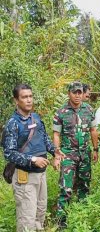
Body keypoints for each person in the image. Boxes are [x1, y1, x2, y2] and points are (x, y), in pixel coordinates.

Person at [2, 84, 63, 232]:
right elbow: (9, 152)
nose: (29, 100)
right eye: (24, 97)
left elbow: (45, 139)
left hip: (40, 175)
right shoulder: (13, 123)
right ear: (16, 100)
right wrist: (32, 160)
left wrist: (55, 152)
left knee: (40, 213)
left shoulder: (35, 118)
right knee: (26, 218)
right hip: (25, 177)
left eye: (30, 96)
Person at [53, 81, 98, 227]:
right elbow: (56, 134)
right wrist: (57, 153)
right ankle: (61, 223)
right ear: (69, 93)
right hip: (68, 155)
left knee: (84, 186)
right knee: (66, 189)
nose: (77, 95)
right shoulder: (61, 112)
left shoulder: (89, 110)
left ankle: (82, 216)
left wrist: (95, 149)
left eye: (79, 92)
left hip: (85, 154)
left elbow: (93, 130)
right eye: (74, 92)